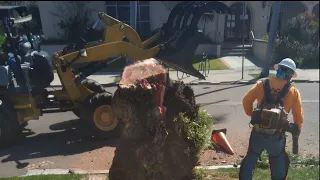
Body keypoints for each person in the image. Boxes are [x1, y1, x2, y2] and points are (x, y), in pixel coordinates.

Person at [239, 58, 304, 180]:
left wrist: (252, 114)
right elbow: (298, 115)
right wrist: (297, 128)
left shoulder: (262, 84)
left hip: (257, 132)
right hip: (276, 134)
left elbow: (246, 100)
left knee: (251, 157)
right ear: (290, 75)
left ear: (278, 69)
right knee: (277, 158)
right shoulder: (293, 91)